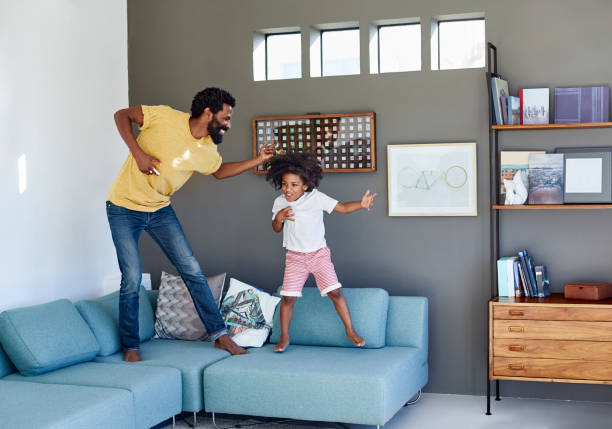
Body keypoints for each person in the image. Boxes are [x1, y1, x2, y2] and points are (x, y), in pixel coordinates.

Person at [107, 87, 275, 361]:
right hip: (123, 207)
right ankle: (131, 347)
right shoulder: (163, 117)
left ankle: (220, 336)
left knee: (193, 271)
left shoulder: (207, 149)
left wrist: (258, 160)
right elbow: (121, 115)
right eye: (226, 118)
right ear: (208, 113)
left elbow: (219, 172)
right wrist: (138, 154)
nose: (229, 125)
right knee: (132, 278)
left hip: (160, 210)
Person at [265, 152, 376, 352]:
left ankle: (350, 330)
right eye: (284, 184)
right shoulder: (279, 202)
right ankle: (284, 336)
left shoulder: (316, 198)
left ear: (305, 185)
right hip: (295, 257)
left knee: (335, 292)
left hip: (318, 255)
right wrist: (278, 218)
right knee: (288, 298)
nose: (288, 189)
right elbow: (275, 229)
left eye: (294, 184)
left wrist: (361, 204)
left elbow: (342, 207)